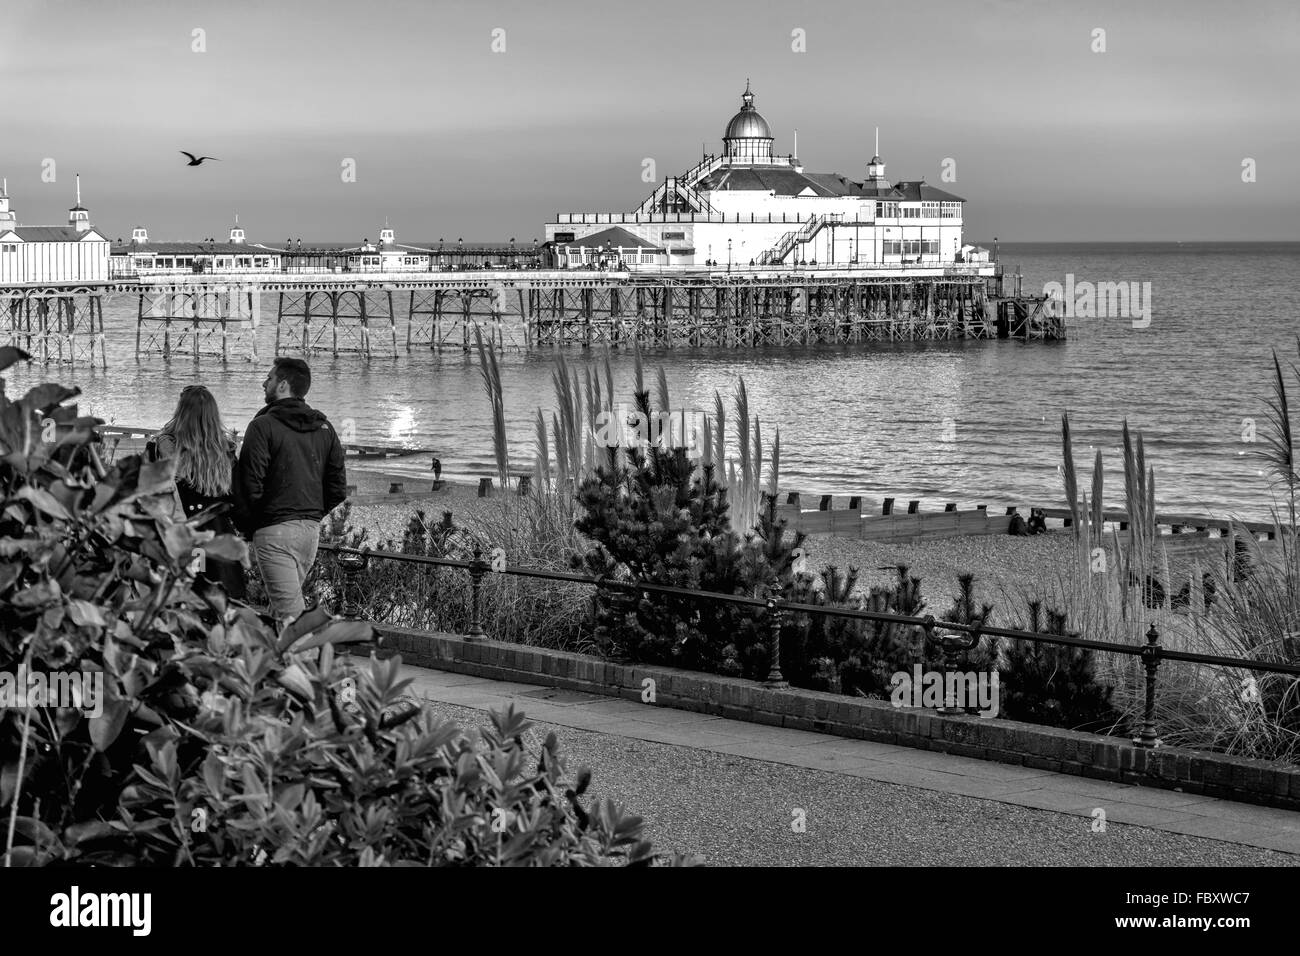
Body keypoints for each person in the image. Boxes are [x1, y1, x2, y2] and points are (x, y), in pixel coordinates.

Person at [236, 357, 348, 623]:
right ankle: (271, 663)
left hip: (274, 531)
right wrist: (310, 513)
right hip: (309, 532)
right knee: (283, 613)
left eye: (270, 378)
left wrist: (256, 523)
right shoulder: (325, 428)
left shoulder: (262, 426)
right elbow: (337, 488)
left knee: (292, 621)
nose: (264, 383)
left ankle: (312, 663)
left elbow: (249, 483)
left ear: (283, 385)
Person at [147, 385, 246, 599]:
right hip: (218, 535)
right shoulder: (225, 452)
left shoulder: (162, 448)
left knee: (185, 594)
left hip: (180, 533)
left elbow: (147, 494)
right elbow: (237, 499)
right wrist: (248, 531)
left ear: (180, 412)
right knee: (219, 598)